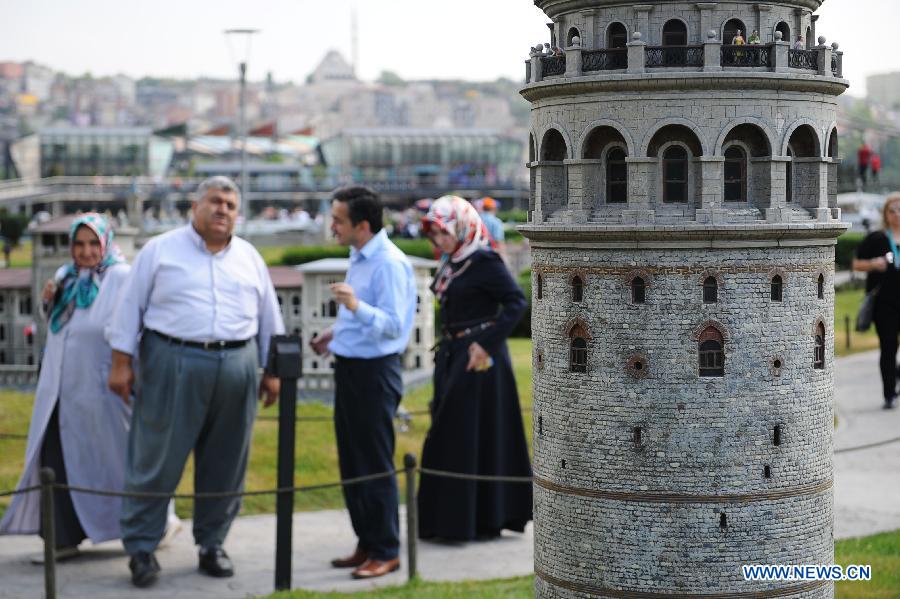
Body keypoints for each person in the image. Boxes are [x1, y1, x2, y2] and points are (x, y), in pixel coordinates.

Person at [106, 176, 284, 588]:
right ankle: (142, 548)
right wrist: (121, 363)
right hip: (172, 360)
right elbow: (128, 309)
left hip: (237, 363)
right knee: (155, 457)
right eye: (216, 201)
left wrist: (272, 371)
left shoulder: (249, 257)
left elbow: (269, 317)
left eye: (231, 205)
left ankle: (212, 543)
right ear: (195, 207)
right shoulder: (160, 250)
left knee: (226, 462)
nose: (223, 210)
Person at [0, 214, 133, 559]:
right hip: (59, 388)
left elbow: (127, 327)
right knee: (55, 458)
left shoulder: (120, 276)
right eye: (79, 243)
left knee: (112, 458)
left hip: (100, 389)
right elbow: (59, 323)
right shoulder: (65, 275)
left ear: (105, 243)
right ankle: (61, 537)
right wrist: (48, 301)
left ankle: (146, 525)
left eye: (93, 243)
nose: (86, 252)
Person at [309, 185, 416, 580]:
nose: (331, 226)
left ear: (362, 225)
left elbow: (392, 327)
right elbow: (363, 318)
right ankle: (367, 542)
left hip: (375, 374)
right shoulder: (359, 256)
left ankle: (386, 550)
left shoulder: (388, 263)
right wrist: (334, 333)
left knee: (373, 463)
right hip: (352, 368)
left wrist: (354, 305)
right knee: (353, 462)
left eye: (338, 220)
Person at [417, 196, 532, 541]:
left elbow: (516, 302)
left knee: (468, 434)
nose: (439, 240)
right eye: (435, 233)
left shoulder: (483, 260)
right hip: (454, 354)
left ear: (462, 226)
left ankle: (477, 520)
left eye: (443, 232)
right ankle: (450, 520)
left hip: (478, 359)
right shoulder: (454, 261)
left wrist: (486, 343)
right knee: (452, 433)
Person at [852, 192, 900, 410]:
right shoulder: (877, 238)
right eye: (893, 210)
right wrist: (874, 264)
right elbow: (856, 264)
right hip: (885, 304)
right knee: (889, 348)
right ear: (886, 213)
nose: (898, 214)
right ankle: (889, 393)